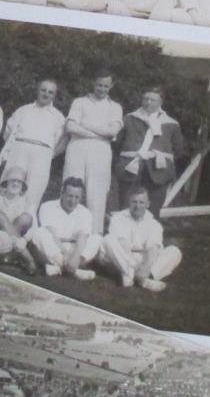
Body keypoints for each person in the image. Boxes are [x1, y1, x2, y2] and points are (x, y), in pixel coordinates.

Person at [62, 70, 123, 234]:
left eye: (105, 86)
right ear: (93, 83)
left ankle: (94, 235)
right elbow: (70, 127)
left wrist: (85, 124)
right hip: (77, 147)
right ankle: (65, 232)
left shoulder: (115, 107)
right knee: (71, 188)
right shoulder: (79, 102)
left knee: (97, 194)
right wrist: (97, 134)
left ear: (111, 86)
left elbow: (112, 131)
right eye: (99, 85)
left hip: (100, 152)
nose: (101, 89)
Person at [114, 86, 185, 217]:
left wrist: (161, 157)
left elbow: (179, 149)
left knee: (153, 211)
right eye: (146, 99)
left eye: (153, 100)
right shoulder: (129, 119)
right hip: (130, 168)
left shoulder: (171, 124)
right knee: (125, 208)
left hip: (158, 171)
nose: (148, 102)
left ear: (160, 103)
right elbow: (118, 144)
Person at [0, 80, 67, 215]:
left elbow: (63, 141)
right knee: (11, 186)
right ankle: (2, 221)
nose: (46, 94)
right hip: (19, 150)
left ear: (54, 95)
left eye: (50, 92)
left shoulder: (58, 117)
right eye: (43, 90)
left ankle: (25, 227)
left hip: (42, 155)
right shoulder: (23, 110)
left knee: (33, 192)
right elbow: (8, 133)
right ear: (37, 90)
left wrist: (50, 155)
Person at [97, 188, 181, 290]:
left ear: (148, 204)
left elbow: (153, 249)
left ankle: (139, 276)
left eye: (141, 202)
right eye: (134, 202)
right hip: (122, 258)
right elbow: (122, 245)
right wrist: (132, 263)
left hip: (142, 259)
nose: (137, 206)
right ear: (129, 202)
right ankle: (142, 280)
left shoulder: (154, 224)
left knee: (174, 251)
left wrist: (146, 268)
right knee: (108, 239)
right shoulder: (118, 217)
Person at [27, 177, 100, 279]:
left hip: (75, 249)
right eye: (70, 196)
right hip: (55, 247)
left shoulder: (85, 212)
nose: (73, 201)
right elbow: (52, 235)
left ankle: (63, 268)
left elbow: (82, 238)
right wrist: (64, 253)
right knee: (40, 232)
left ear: (81, 197)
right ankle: (75, 271)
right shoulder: (47, 206)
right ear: (62, 193)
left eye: (77, 197)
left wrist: (74, 256)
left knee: (96, 238)